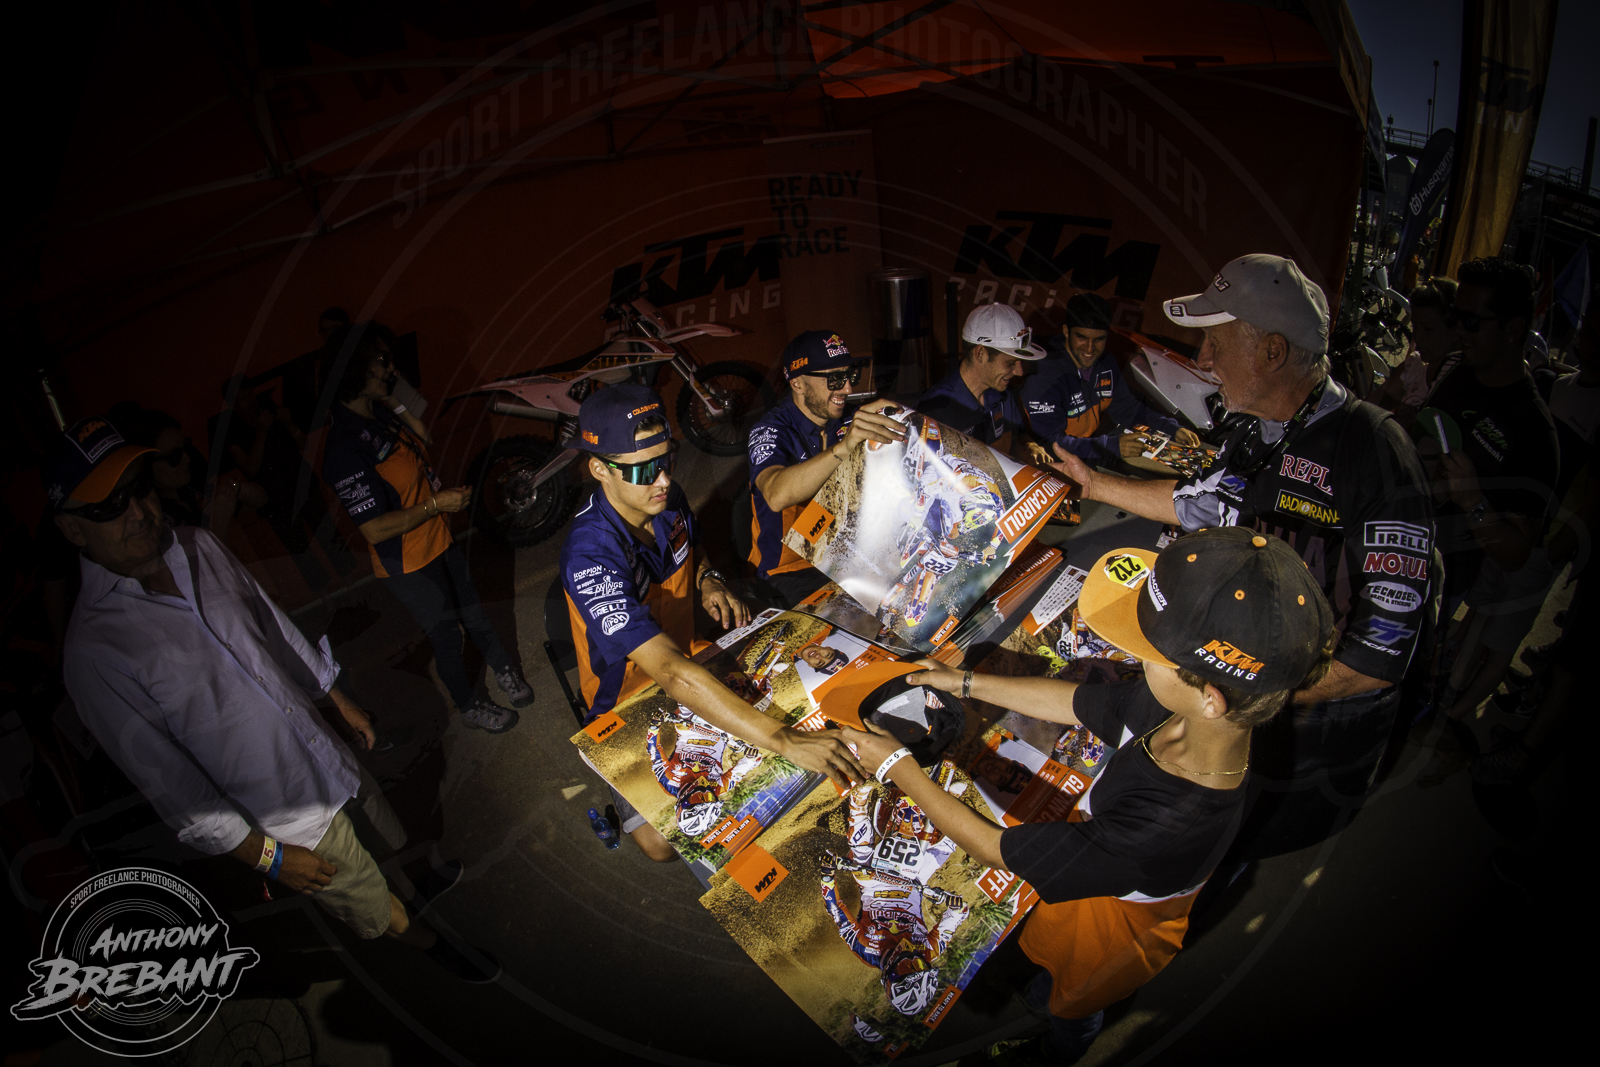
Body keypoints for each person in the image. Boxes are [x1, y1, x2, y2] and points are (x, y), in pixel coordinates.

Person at [841, 528, 1335, 1065]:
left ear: (1211, 698)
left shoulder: (1166, 822)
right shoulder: (1189, 715)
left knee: (1073, 1003)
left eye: (1147, 653)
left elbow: (993, 849)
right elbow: (1079, 702)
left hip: (1112, 936)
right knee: (1048, 967)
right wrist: (963, 683)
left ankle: (1059, 1052)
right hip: (1097, 881)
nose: (1132, 656)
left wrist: (894, 764)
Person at [47, 416, 496, 982]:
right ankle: (434, 947)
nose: (137, 512)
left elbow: (274, 627)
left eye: (138, 488)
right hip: (289, 815)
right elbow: (178, 792)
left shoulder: (198, 546)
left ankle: (414, 886)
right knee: (367, 898)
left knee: (383, 837)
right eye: (109, 506)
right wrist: (270, 857)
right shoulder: (95, 653)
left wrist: (338, 698)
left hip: (324, 751)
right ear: (72, 528)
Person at [1050, 254, 1433, 860]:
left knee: (1237, 851)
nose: (1203, 361)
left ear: (1272, 352)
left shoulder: (1375, 449)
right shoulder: (1257, 429)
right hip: (1239, 704)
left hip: (1310, 738)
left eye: (1216, 344)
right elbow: (1197, 504)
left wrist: (1238, 699)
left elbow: (1379, 658)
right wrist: (1095, 485)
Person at [560, 385, 868, 860]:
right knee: (662, 846)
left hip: (694, 656)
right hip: (630, 697)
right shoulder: (589, 556)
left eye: (668, 459)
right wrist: (782, 741)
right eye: (643, 469)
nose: (663, 480)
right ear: (599, 469)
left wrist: (709, 579)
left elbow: (693, 547)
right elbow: (669, 673)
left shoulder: (665, 498)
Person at [322, 322, 533, 733]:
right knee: (447, 636)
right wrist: (437, 504)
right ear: (353, 369)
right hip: (408, 563)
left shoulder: (378, 412)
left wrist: (392, 396)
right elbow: (373, 530)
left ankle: (504, 670)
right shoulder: (343, 447)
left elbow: (425, 438)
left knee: (476, 615)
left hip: (439, 538)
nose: (390, 367)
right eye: (381, 360)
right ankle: (469, 706)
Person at [1415, 258, 1559, 757]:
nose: (1459, 329)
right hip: (1392, 539)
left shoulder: (1535, 434)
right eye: (1457, 316)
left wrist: (1473, 499)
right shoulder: (1458, 370)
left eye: (1472, 320)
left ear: (1514, 328)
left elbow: (1517, 552)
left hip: (1442, 580)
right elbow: (1424, 438)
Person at [746, 330, 905, 605]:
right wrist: (843, 448)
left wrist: (903, 423)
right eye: (835, 379)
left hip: (849, 556)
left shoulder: (850, 420)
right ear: (798, 384)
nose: (847, 389)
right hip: (792, 569)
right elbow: (775, 494)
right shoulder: (769, 430)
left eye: (850, 375)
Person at [1021, 293, 1201, 463]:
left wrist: (1171, 429)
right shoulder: (1044, 374)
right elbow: (1050, 442)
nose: (1089, 348)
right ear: (1066, 331)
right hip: (1044, 460)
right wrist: (1111, 446)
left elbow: (1129, 410)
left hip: (1084, 452)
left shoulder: (1106, 364)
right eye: (1081, 337)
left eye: (1099, 339)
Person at [220, 374, 356, 591]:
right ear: (232, 402)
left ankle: (352, 584)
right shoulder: (232, 431)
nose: (250, 400)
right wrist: (261, 431)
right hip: (274, 499)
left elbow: (304, 444)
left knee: (328, 534)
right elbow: (250, 468)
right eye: (243, 397)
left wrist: (288, 423)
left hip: (302, 484)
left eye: (250, 394)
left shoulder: (269, 408)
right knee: (299, 549)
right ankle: (326, 596)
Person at [916, 303, 1044, 449]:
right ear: (981, 354)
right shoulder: (934, 410)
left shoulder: (1003, 394)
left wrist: (1030, 448)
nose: (1019, 372)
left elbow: (1018, 439)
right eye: (1010, 363)